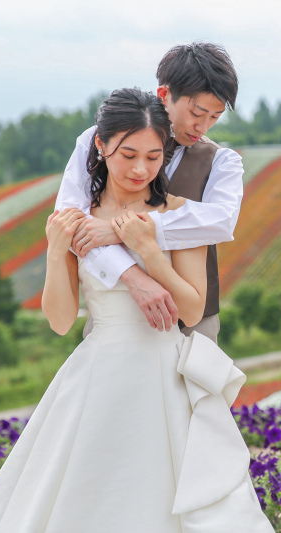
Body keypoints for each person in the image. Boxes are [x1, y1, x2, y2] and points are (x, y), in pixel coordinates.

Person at [0, 88, 274, 532]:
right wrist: (56, 252)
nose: (140, 169)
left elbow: (191, 310)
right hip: (97, 373)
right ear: (100, 146)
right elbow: (60, 320)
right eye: (128, 154)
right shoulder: (78, 220)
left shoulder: (182, 215)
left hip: (166, 376)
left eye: (152, 156)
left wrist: (149, 252)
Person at [55, 42, 243, 344]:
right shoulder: (99, 141)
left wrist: (123, 231)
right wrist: (132, 275)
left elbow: (220, 223)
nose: (203, 126)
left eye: (215, 117)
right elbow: (72, 221)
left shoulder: (222, 162)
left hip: (193, 324)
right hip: (117, 320)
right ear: (164, 95)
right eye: (197, 112)